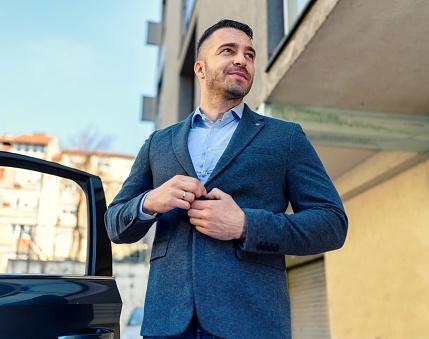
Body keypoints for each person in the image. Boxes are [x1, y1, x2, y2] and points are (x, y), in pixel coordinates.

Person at [105, 19, 347, 339]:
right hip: (167, 323)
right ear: (200, 69)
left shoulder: (285, 138)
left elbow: (332, 224)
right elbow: (114, 224)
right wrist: (149, 202)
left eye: (249, 54)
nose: (241, 60)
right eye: (228, 51)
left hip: (251, 323)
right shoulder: (158, 143)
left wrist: (246, 225)